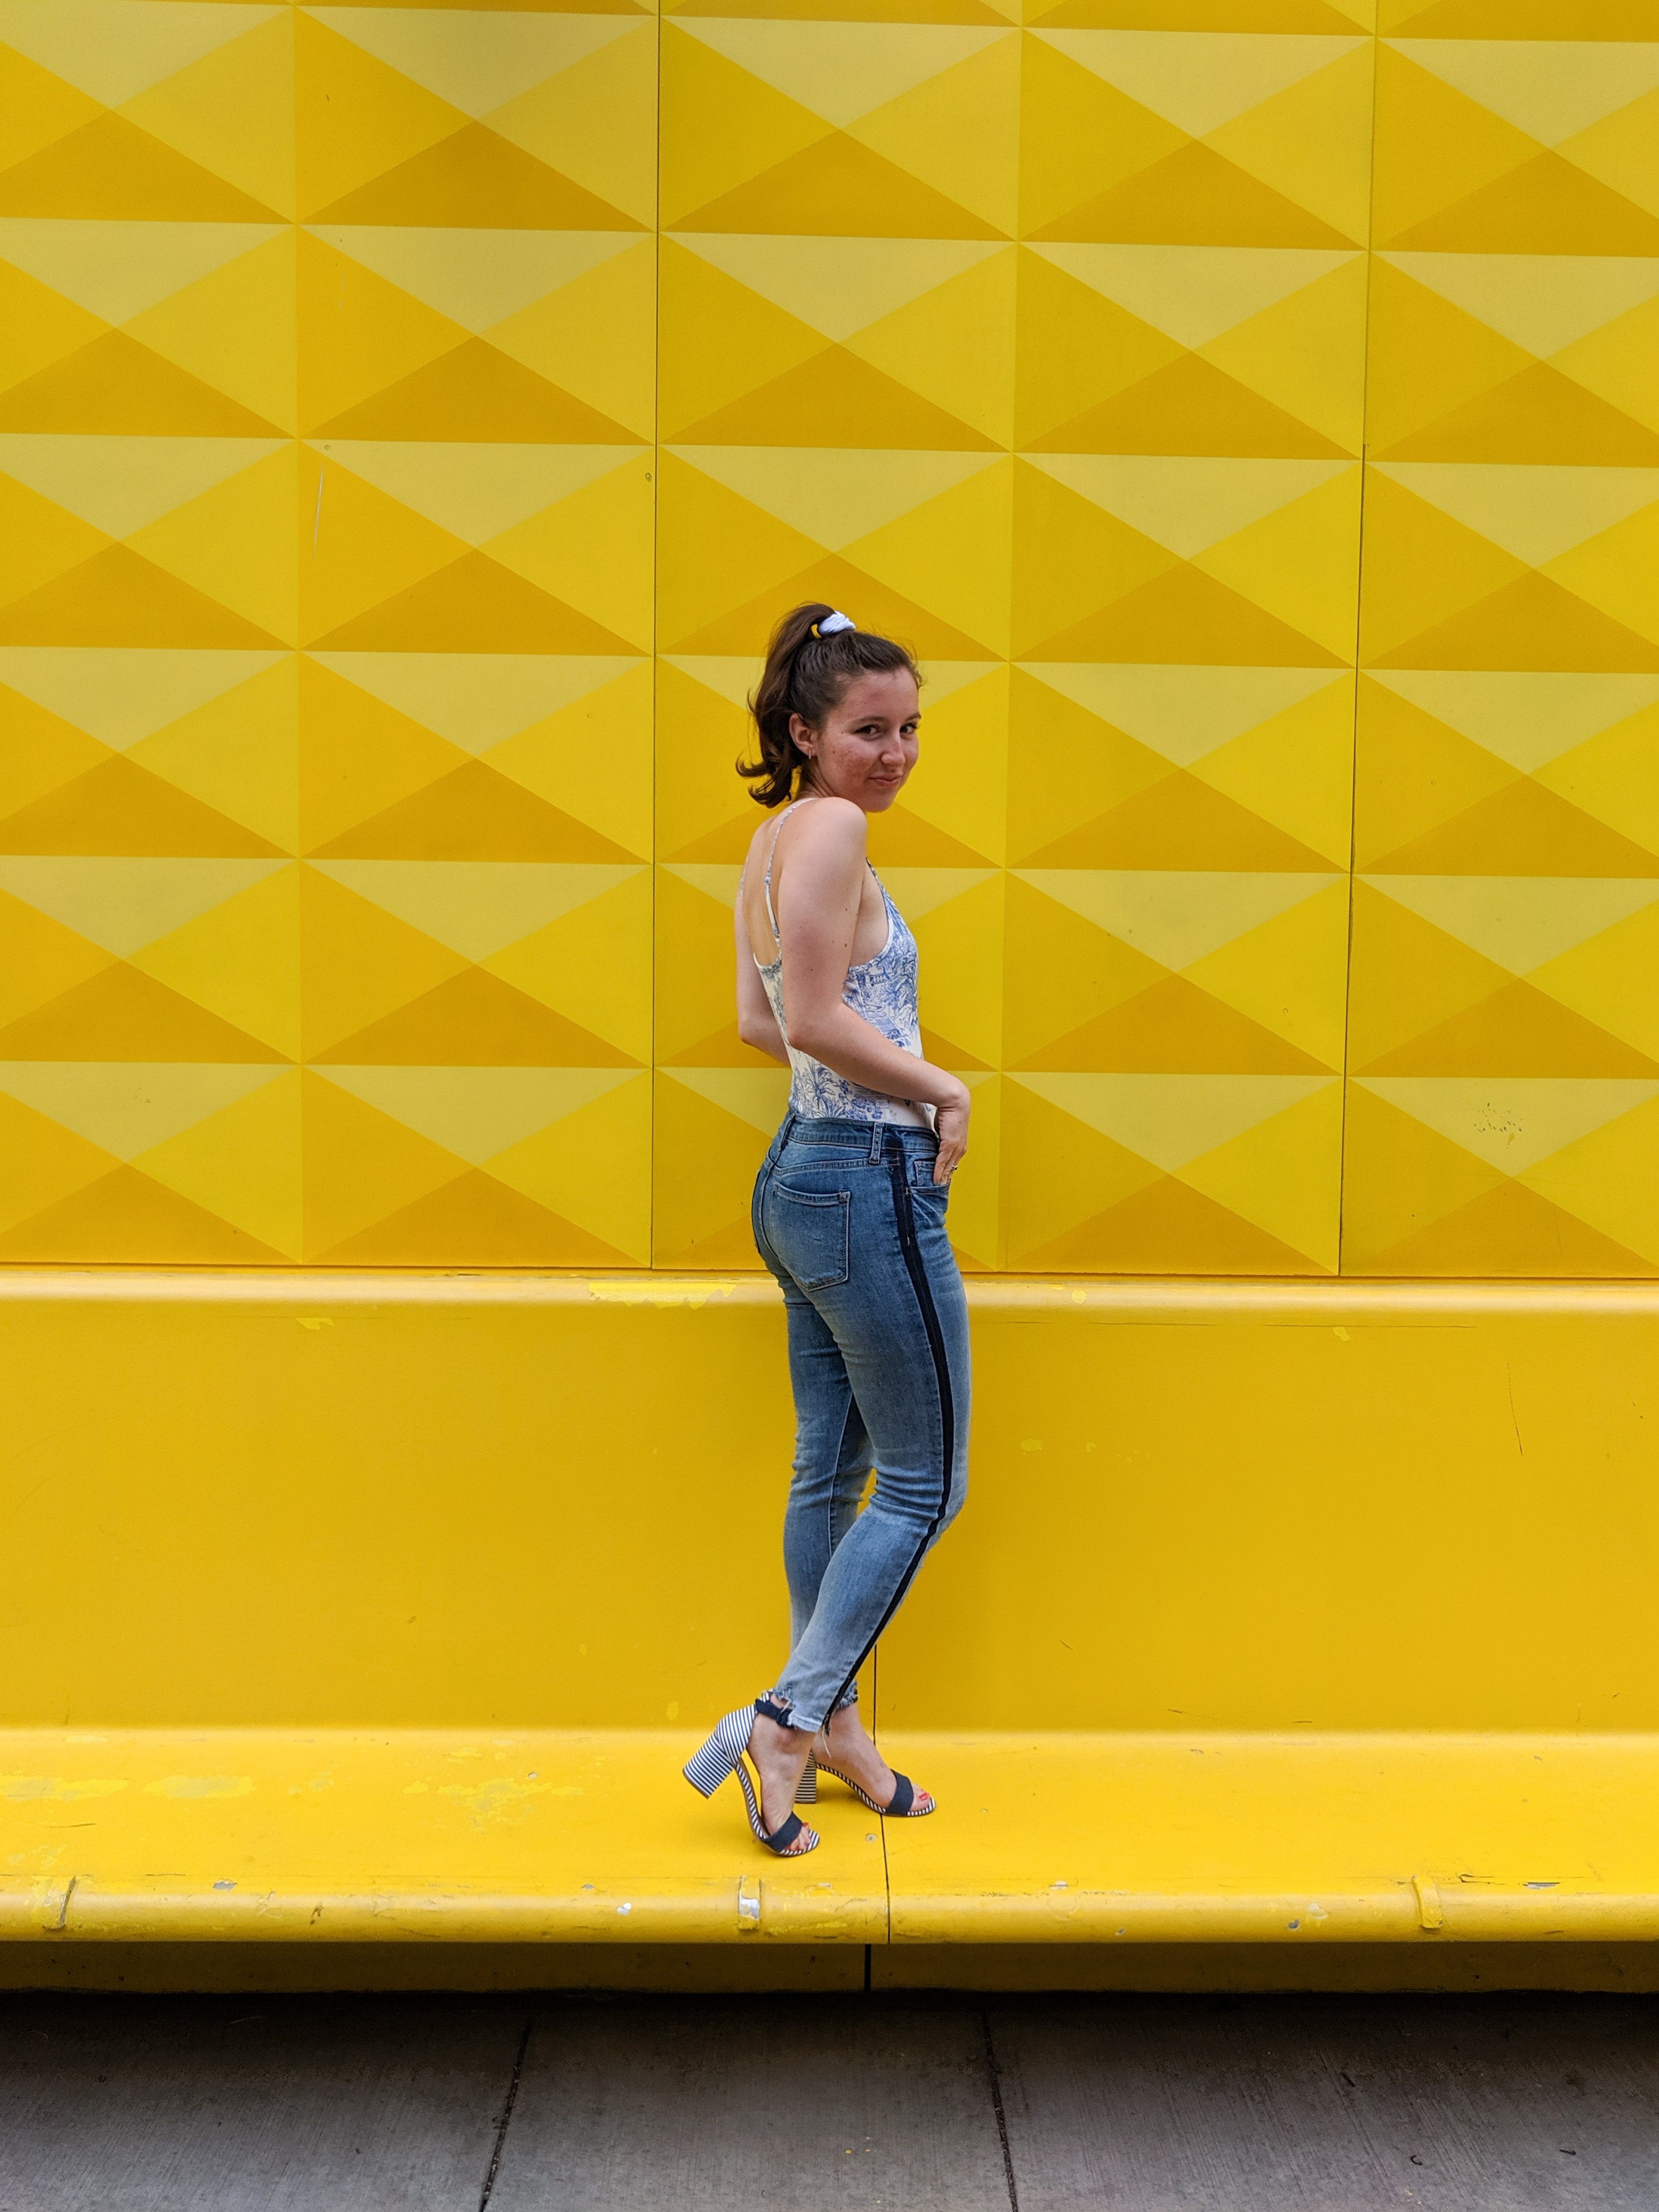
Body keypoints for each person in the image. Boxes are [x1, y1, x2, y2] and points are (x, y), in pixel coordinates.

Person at [683, 604, 972, 1857]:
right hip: (866, 1181)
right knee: (925, 1481)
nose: (894, 752)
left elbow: (762, 1024)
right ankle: (790, 1718)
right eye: (867, 730)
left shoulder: (772, 841)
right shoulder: (836, 829)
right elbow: (807, 1019)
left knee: (831, 1472)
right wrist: (941, 1088)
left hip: (801, 1178)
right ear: (804, 732)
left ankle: (835, 1724)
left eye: (908, 727)